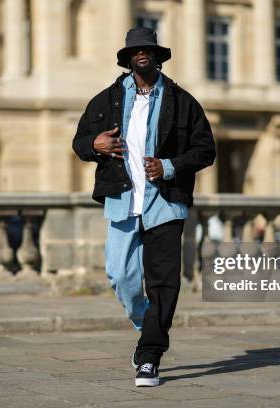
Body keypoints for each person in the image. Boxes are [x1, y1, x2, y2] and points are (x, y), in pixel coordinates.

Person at [72, 26, 216, 387]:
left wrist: (169, 167)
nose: (142, 54)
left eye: (148, 49)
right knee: (120, 276)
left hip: (166, 204)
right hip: (122, 201)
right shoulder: (106, 100)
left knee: (164, 283)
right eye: (136, 50)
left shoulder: (183, 101)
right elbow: (79, 143)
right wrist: (95, 144)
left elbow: (205, 150)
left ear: (158, 56)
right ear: (127, 58)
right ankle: (148, 322)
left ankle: (150, 354)